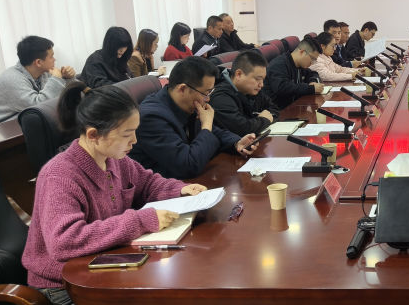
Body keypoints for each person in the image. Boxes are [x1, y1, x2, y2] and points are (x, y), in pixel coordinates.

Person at [22, 81, 207, 305]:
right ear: (93, 135)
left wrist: (180, 189)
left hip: (104, 264)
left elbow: (147, 183)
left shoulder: (114, 158)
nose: (135, 141)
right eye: (127, 134)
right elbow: (64, 241)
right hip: (65, 285)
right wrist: (140, 221)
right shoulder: (60, 175)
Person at [129, 56, 259, 179]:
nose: (208, 99)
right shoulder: (151, 118)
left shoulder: (185, 103)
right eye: (206, 93)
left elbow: (214, 132)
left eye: (210, 92)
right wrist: (206, 126)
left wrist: (236, 143)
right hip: (162, 189)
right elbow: (188, 165)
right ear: (182, 89)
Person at [0, 36, 76, 122]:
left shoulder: (44, 72)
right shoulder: (11, 79)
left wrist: (68, 78)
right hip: (8, 126)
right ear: (38, 62)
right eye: (51, 56)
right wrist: (57, 79)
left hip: (33, 121)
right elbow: (38, 106)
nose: (55, 59)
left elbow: (69, 95)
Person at [210, 50, 279, 137]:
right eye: (258, 79)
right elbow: (242, 129)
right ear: (239, 74)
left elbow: (274, 110)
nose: (261, 84)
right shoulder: (220, 97)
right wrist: (264, 119)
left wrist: (256, 122)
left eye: (263, 79)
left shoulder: (251, 89)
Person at [262, 37, 324, 109]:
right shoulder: (279, 64)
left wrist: (313, 81)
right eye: (312, 59)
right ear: (302, 52)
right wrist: (311, 88)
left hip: (295, 106)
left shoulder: (299, 64)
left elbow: (313, 73)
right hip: (279, 110)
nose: (312, 63)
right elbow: (282, 88)